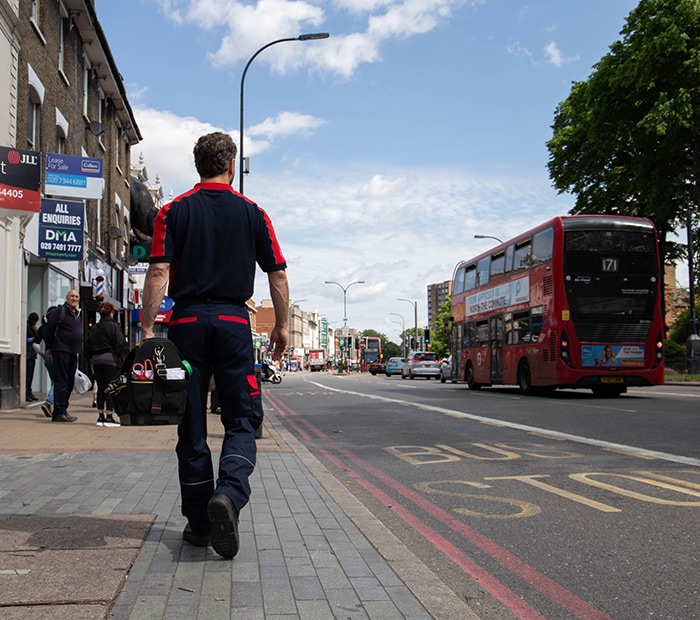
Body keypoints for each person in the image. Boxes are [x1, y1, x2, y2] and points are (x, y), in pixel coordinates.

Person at [141, 132, 289, 559]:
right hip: (232, 323)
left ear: (197, 166)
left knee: (190, 426)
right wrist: (281, 326)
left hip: (186, 324)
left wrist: (148, 329)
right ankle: (228, 494)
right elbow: (276, 275)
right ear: (230, 166)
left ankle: (201, 525)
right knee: (242, 419)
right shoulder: (254, 213)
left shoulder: (173, 210)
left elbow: (157, 272)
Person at [86, 302, 128, 427]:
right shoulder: (114, 327)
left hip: (97, 360)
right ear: (111, 313)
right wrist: (124, 356)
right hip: (111, 360)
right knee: (110, 387)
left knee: (100, 387)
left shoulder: (94, 328)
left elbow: (88, 345)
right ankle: (109, 415)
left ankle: (100, 415)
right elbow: (120, 343)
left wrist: (89, 358)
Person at [43, 290, 82, 422]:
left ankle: (63, 409)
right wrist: (50, 346)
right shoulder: (59, 311)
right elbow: (48, 329)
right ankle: (58, 412)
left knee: (70, 382)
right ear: (67, 298)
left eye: (76, 296)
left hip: (73, 351)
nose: (74, 298)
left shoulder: (77, 314)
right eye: (72, 296)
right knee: (61, 381)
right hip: (61, 350)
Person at [26, 313, 40, 401]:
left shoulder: (32, 328)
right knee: (27, 375)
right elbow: (25, 339)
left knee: (31, 375)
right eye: (34, 322)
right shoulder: (26, 327)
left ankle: (29, 391)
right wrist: (33, 338)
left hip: (32, 353)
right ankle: (26, 392)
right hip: (28, 353)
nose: (35, 323)